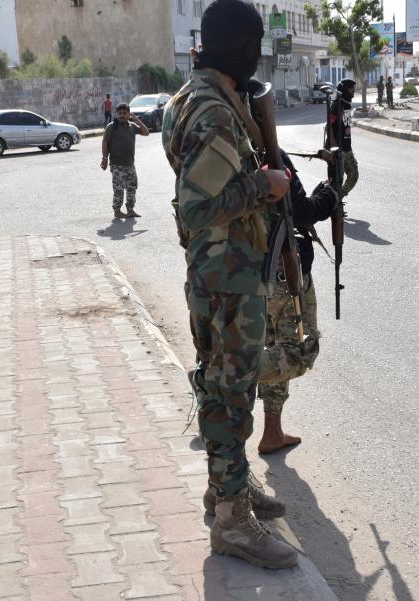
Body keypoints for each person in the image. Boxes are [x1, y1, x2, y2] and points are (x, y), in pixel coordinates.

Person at [162, 0, 297, 570]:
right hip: (227, 276)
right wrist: (264, 186)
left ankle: (227, 489)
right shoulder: (213, 111)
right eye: (255, 45)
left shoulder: (190, 96)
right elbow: (199, 208)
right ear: (242, 47)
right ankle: (232, 523)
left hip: (220, 272)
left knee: (221, 384)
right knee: (230, 392)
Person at [257, 150, 338, 454]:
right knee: (299, 352)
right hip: (282, 271)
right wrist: (330, 194)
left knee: (274, 348)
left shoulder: (233, 149)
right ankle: (217, 376)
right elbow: (302, 212)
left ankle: (272, 432)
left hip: (248, 273)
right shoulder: (269, 153)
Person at [101, 103, 148, 219]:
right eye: (120, 113)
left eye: (125, 113)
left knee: (132, 187)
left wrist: (136, 120)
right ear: (117, 114)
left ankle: (130, 210)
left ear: (129, 114)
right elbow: (105, 142)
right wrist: (104, 158)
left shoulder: (132, 126)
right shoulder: (111, 127)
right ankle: (117, 211)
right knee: (119, 189)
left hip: (130, 164)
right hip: (116, 164)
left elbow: (146, 132)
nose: (122, 115)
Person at [328, 78, 359, 198]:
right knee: (336, 180)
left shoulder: (346, 104)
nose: (353, 91)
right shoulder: (337, 105)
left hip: (347, 147)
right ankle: (332, 201)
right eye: (351, 88)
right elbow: (329, 125)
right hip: (338, 148)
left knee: (353, 175)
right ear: (345, 89)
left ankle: (339, 196)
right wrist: (333, 144)